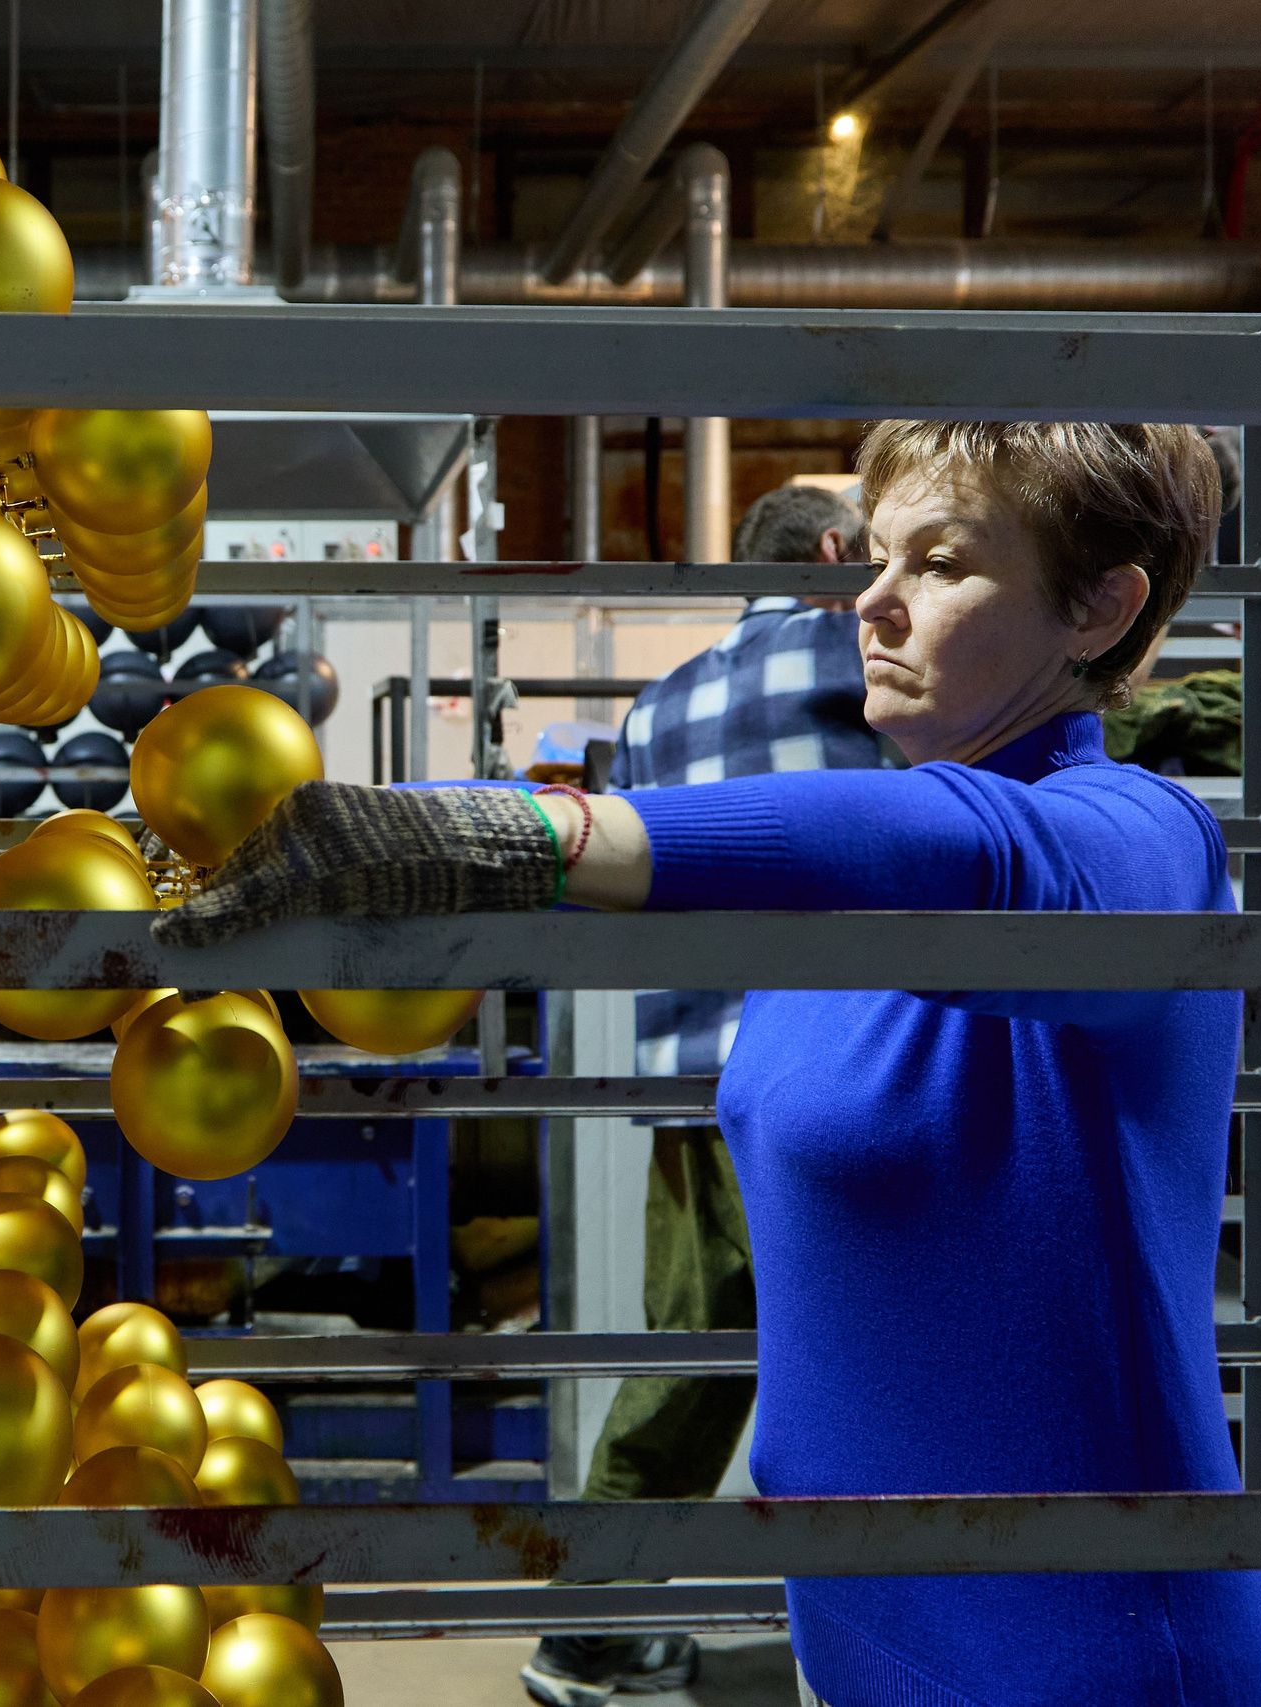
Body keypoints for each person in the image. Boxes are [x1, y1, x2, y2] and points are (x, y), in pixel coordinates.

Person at [157, 422, 1261, 1707]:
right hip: (858, 1632)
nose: (874, 599)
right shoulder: (834, 903)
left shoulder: (1145, 843)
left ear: (1099, 608)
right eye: (877, 557)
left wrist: (519, 832)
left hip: (1090, 1650)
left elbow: (968, 855)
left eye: (939, 563)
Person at [516, 483, 885, 1704]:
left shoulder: (655, 703)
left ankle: (588, 1635)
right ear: (833, 553)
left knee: (689, 1359)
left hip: (696, 1085)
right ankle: (879, 1644)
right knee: (871, 1360)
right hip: (837, 1071)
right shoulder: (854, 651)